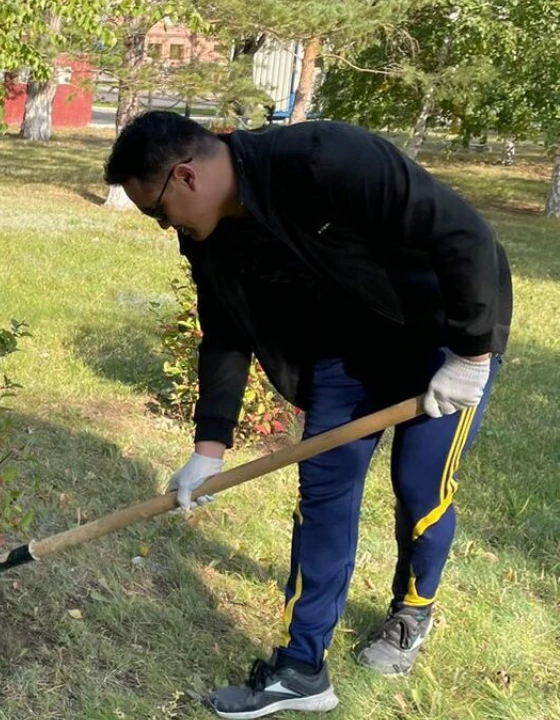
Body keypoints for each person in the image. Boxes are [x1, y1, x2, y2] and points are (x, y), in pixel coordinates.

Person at [104, 111, 511, 718]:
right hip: (344, 359)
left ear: (186, 176)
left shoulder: (322, 157)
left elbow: (460, 233)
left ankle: (413, 608)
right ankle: (301, 668)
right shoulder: (206, 233)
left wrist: (472, 354)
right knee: (323, 498)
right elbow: (223, 331)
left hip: (442, 342)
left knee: (419, 487)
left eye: (155, 210)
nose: (163, 225)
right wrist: (207, 447)